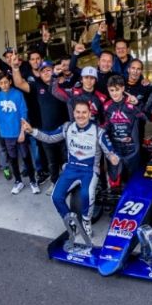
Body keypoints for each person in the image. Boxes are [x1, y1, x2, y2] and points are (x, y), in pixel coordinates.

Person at [25, 101, 120, 242]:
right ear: (74, 113)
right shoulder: (67, 127)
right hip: (71, 168)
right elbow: (50, 137)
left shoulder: (98, 132)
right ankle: (71, 222)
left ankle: (86, 222)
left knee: (85, 195)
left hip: (89, 170)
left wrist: (113, 157)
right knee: (56, 197)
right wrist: (32, 131)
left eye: (84, 112)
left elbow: (110, 151)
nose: (81, 115)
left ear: (89, 114)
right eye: (78, 112)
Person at [13, 59, 69, 191]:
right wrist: (15, 68)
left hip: (64, 130)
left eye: (48, 70)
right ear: (39, 74)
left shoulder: (61, 83)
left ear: (53, 70)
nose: (46, 73)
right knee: (52, 162)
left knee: (67, 161)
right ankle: (54, 183)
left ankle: (67, 184)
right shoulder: (36, 85)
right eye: (42, 71)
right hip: (46, 131)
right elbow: (19, 83)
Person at [0, 73, 39, 194]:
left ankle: (33, 181)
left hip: (19, 133)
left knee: (26, 157)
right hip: (6, 134)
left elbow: (24, 113)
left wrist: (22, 132)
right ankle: (18, 181)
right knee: (12, 159)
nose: (4, 85)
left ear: (10, 82)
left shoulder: (18, 94)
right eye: (1, 83)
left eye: (6, 82)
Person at [101, 75, 149, 185]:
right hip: (115, 151)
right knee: (115, 181)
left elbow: (147, 117)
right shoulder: (106, 106)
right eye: (111, 90)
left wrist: (138, 104)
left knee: (134, 182)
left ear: (123, 88)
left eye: (117, 90)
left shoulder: (131, 103)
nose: (114, 93)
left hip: (132, 151)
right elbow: (105, 126)